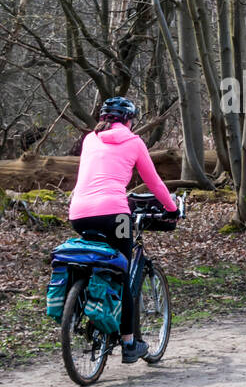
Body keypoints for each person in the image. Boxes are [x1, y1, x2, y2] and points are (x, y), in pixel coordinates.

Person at [68, 97, 178, 363]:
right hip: (114, 215)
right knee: (123, 272)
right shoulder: (134, 142)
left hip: (79, 213)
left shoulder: (90, 140)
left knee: (93, 260)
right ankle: (129, 344)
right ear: (129, 121)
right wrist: (172, 209)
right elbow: (154, 183)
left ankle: (78, 308)